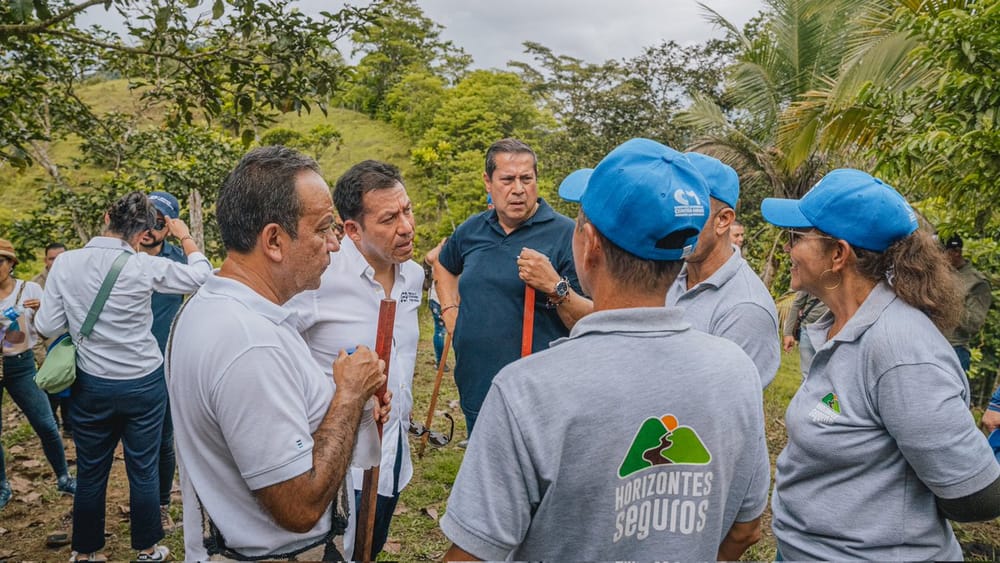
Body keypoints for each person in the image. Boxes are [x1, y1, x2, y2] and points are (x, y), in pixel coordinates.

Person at [440, 138, 769, 560]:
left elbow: (474, 551)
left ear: (589, 243)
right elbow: (746, 529)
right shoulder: (736, 370)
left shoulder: (527, 390)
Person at [761, 168, 1000, 560]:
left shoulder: (900, 351)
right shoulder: (842, 325)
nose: (787, 249)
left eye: (796, 237)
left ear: (839, 254)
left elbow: (976, 494)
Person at [168, 146, 390, 561]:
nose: (334, 245)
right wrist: (347, 398)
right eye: (323, 229)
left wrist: (349, 400)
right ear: (274, 240)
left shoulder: (213, 307)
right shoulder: (250, 343)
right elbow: (298, 507)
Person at [35, 192, 211, 561]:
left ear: (106, 217)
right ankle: (147, 549)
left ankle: (85, 552)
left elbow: (47, 325)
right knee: (143, 468)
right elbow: (202, 276)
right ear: (144, 231)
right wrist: (184, 235)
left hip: (90, 383)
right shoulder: (143, 267)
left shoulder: (65, 263)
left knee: (91, 470)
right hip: (144, 383)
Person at [286, 159, 423, 560]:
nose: (406, 227)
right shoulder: (318, 279)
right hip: (336, 465)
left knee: (370, 549)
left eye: (407, 210)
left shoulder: (413, 276)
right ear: (352, 230)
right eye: (389, 219)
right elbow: (279, 353)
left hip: (393, 457)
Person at [434, 138, 592, 434]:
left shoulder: (566, 234)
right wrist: (450, 311)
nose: (518, 189)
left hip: (539, 400)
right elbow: (443, 265)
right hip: (477, 390)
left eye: (526, 179)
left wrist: (555, 286)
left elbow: (590, 320)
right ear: (488, 182)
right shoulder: (472, 230)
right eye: (507, 180)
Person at [665, 152, 780, 388]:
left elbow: (725, 400)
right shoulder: (671, 272)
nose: (672, 222)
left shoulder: (745, 309)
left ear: (723, 220)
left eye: (686, 208)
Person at [0, 238, 76, 511]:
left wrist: (41, 310)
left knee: (46, 423)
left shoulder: (29, 289)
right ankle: (2, 486)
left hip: (22, 365)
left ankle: (64, 477)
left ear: (11, 263)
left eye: (0, 261)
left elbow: (47, 328)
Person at [137, 190, 188, 533]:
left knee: (164, 439)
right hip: (125, 364)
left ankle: (161, 504)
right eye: (142, 220)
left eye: (157, 222)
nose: (148, 229)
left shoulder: (180, 262)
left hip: (165, 363)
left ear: (168, 227)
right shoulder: (121, 258)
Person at [33, 242, 72, 435]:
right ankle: (52, 426)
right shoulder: (36, 285)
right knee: (52, 393)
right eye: (51, 259)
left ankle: (70, 426)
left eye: (60, 258)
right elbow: (31, 325)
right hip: (49, 347)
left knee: (72, 392)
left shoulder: (77, 278)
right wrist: (41, 357)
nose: (56, 262)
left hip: (72, 344)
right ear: (45, 261)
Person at [942, 234, 992, 372]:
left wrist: (947, 302)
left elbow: (973, 324)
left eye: (940, 253)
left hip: (954, 350)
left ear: (956, 252)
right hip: (927, 346)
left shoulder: (977, 282)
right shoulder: (936, 275)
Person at [781, 290, 829, 377]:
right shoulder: (811, 281)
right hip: (807, 330)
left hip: (831, 334)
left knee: (826, 375)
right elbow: (797, 304)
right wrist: (788, 333)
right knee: (807, 375)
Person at [423, 238, 447, 369]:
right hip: (439, 299)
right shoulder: (441, 256)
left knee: (441, 330)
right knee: (441, 330)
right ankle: (440, 362)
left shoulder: (436, 256)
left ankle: (440, 362)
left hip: (440, 299)